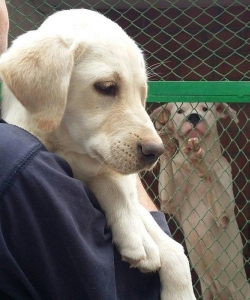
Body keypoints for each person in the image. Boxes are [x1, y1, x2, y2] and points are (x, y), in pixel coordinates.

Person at [0, 1, 170, 299]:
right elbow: (138, 287)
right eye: (107, 87)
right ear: (45, 83)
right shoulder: (18, 167)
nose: (154, 141)